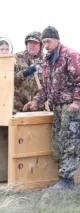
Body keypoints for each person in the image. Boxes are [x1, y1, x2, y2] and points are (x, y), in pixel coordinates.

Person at [23, 26, 80, 189]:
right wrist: (36, 102)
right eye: (44, 42)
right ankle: (63, 178)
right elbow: (46, 87)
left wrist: (77, 102)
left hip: (72, 107)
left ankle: (67, 180)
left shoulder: (71, 56)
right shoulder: (47, 60)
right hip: (57, 107)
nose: (46, 45)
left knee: (71, 142)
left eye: (48, 41)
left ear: (57, 39)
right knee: (57, 142)